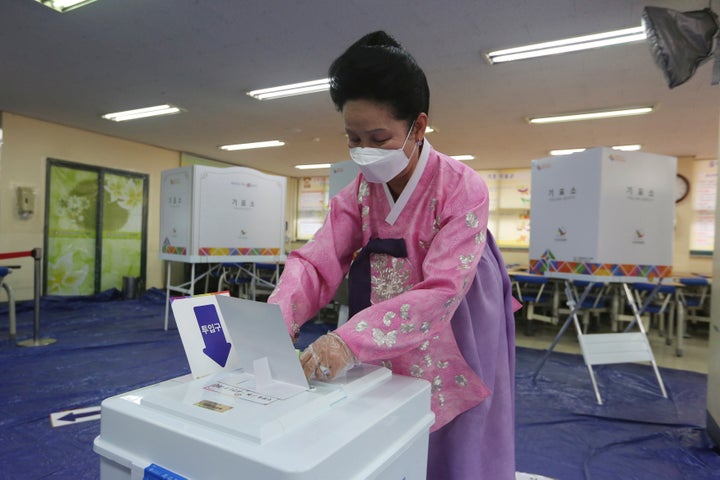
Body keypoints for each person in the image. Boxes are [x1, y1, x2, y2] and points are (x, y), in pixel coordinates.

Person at [268, 31, 517, 479]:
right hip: (384, 317)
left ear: (418, 128)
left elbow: (443, 289)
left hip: (458, 312)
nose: (364, 151)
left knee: (454, 417)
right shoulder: (361, 192)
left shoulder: (463, 189)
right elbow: (317, 259)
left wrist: (348, 339)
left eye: (378, 138)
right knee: (388, 408)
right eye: (353, 138)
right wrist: (279, 317)